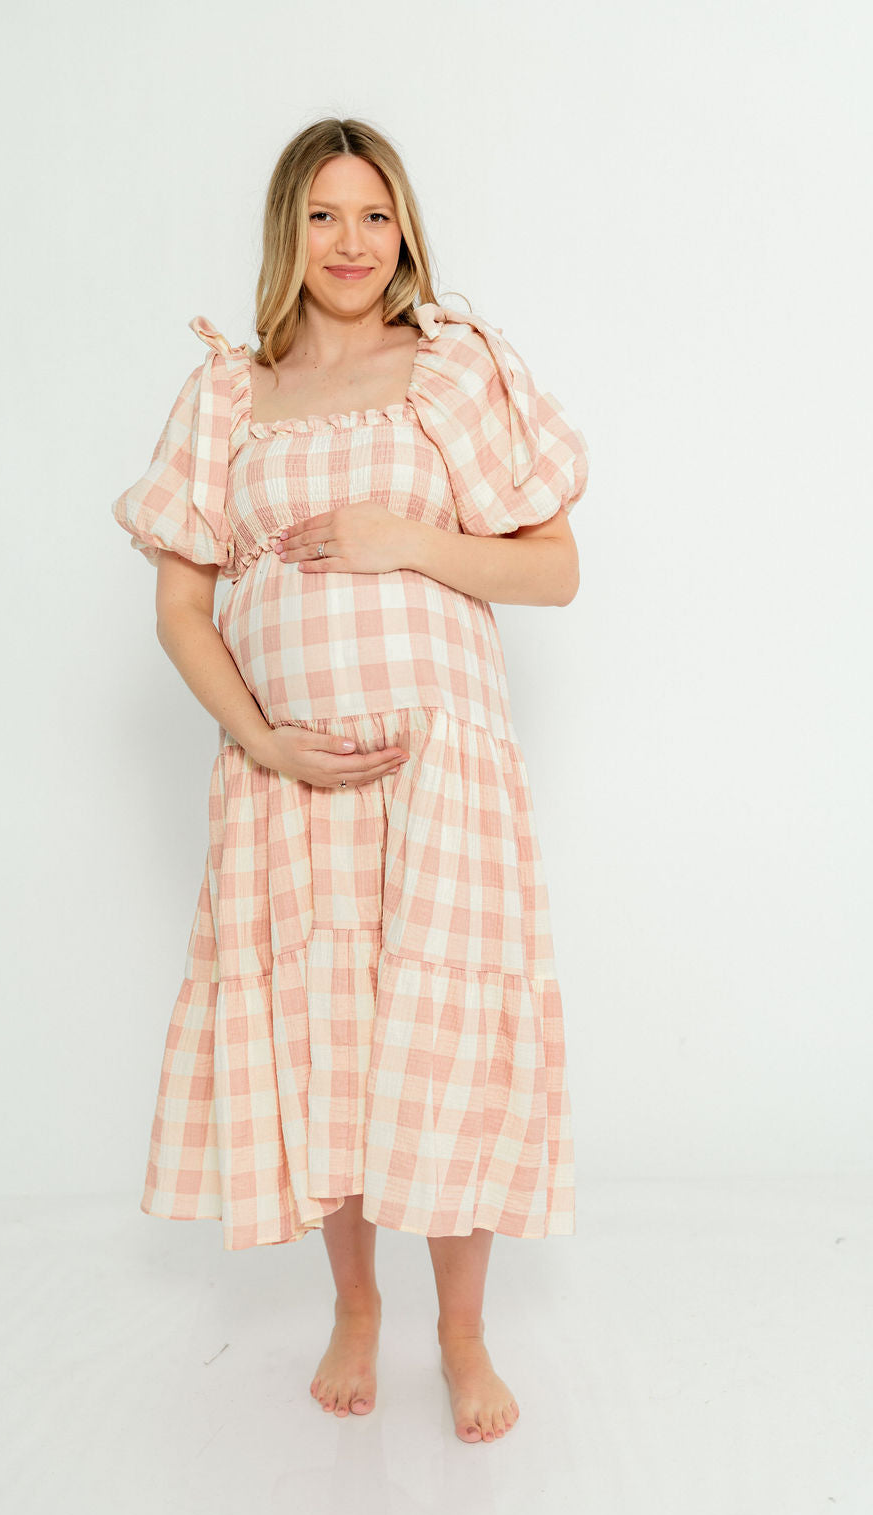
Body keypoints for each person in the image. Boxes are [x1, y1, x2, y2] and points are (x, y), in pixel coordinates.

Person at [111, 117, 589, 1445]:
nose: (352, 241)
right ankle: (358, 1306)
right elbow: (181, 610)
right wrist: (263, 741)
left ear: (405, 230)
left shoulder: (451, 369)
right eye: (323, 215)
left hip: (443, 767)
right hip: (290, 778)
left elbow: (554, 568)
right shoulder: (227, 393)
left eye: (375, 215)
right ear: (289, 232)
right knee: (329, 1037)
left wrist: (403, 540)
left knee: (446, 1044)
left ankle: (463, 1332)